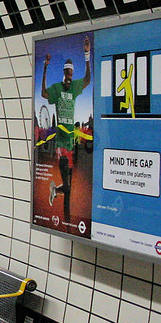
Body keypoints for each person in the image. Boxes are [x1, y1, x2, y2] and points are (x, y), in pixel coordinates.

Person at [40, 35, 91, 224]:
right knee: (67, 183)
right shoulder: (57, 89)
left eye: (71, 73)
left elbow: (87, 79)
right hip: (61, 144)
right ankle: (59, 196)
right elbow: (44, 93)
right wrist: (45, 67)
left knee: (69, 187)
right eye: (67, 73)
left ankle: (60, 199)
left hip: (71, 144)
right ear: (63, 73)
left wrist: (87, 54)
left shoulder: (76, 87)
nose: (69, 76)